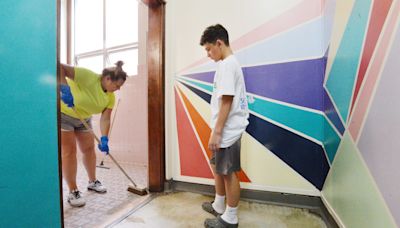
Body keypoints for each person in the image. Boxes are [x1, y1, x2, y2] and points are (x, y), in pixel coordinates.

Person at [200, 24, 249, 228]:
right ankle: (220, 204)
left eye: (209, 49)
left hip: (227, 130)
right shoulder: (224, 64)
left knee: (228, 172)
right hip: (223, 128)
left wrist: (217, 133)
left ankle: (231, 218)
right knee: (217, 167)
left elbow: (227, 101)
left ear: (219, 43)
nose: (209, 54)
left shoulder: (229, 64)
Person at [59, 61, 127, 207]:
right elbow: (60, 66)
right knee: (69, 152)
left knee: (89, 149)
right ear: (108, 79)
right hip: (64, 114)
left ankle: (92, 181)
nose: (118, 89)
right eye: (117, 85)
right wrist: (63, 87)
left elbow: (105, 118)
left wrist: (104, 138)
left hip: (84, 118)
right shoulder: (88, 76)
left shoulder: (110, 97)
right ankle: (73, 191)